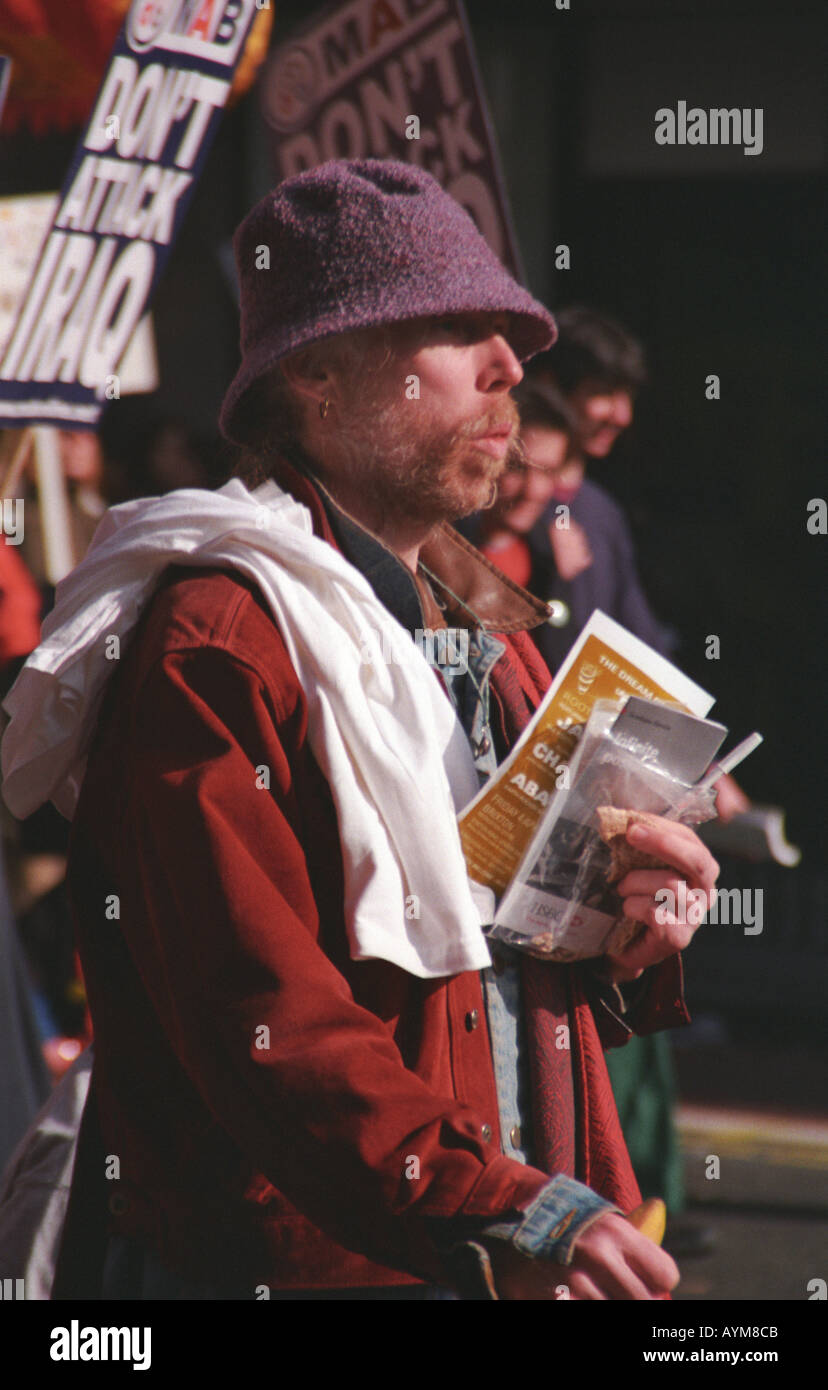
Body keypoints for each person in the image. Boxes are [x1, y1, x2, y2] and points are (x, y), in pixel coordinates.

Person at [0, 160, 719, 1301]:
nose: (508, 365)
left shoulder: (491, 623)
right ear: (319, 376)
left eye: (510, 333)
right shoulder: (220, 637)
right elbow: (260, 1010)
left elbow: (510, 969)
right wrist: (504, 1204)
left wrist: (633, 931)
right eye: (454, 329)